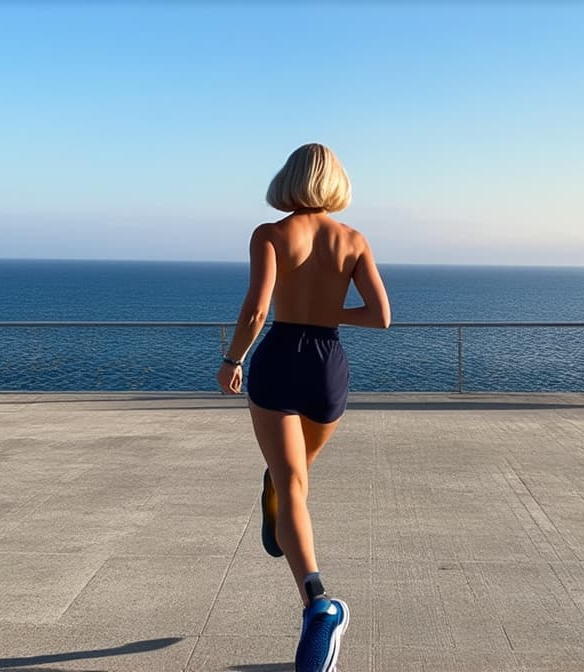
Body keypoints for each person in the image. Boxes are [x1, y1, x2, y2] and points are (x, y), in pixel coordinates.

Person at [216, 142, 391, 672]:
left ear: (287, 179)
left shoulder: (270, 235)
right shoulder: (353, 239)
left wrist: (231, 359)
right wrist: (327, 308)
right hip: (327, 363)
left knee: (290, 482)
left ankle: (318, 602)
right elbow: (381, 316)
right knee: (298, 478)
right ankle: (277, 491)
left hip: (280, 356)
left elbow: (257, 308)